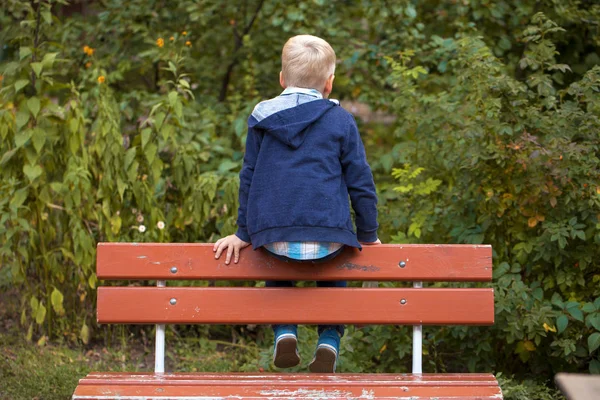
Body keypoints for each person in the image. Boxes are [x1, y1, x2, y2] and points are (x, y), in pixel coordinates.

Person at [213, 34, 379, 373]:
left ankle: (285, 330)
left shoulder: (262, 118)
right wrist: (368, 234)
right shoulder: (341, 120)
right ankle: (329, 339)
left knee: (276, 253)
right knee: (335, 262)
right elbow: (360, 182)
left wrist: (243, 232)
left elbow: (249, 176)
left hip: (274, 237)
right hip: (329, 236)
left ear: (282, 79)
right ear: (329, 83)